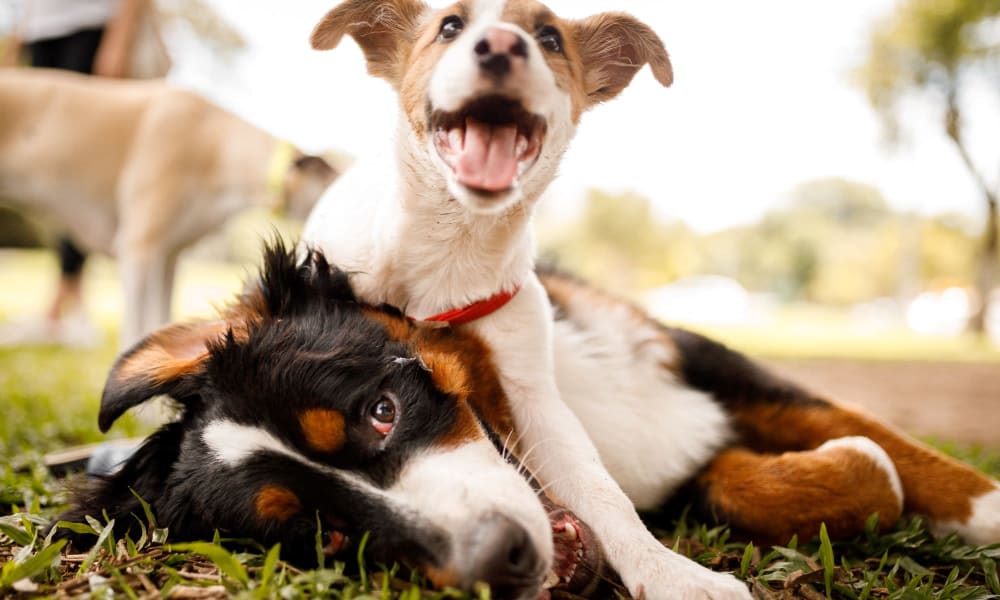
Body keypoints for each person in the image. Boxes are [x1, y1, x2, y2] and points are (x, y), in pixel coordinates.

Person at [7, 0, 160, 346]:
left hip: (91, 26)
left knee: (78, 171)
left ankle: (71, 301)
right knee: (48, 172)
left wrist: (119, 39)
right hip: (41, 30)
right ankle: (58, 304)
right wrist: (21, 32)